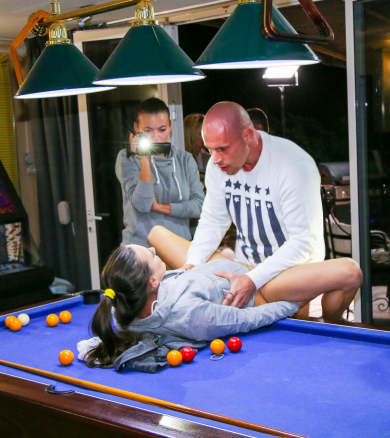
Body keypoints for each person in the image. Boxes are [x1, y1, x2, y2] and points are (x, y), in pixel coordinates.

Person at [84, 243, 362, 369]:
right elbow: (246, 320)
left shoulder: (124, 305)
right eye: (152, 256)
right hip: (257, 290)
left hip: (213, 270)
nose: (155, 251)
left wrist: (190, 269)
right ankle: (334, 324)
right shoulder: (189, 316)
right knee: (350, 272)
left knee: (157, 231)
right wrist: (290, 305)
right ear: (153, 283)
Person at [180, 101, 328, 311]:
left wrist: (252, 280)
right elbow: (214, 220)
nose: (215, 160)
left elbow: (304, 242)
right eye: (210, 150)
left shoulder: (293, 166)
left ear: (248, 136)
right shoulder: (219, 164)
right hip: (247, 273)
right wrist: (193, 264)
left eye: (222, 149)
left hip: (294, 277)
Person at [116, 98, 205, 248]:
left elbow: (199, 206)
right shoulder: (127, 158)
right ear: (136, 128)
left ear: (170, 126)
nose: (156, 137)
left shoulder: (185, 159)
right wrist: (145, 160)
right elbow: (143, 205)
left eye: (162, 129)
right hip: (141, 250)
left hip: (179, 247)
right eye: (148, 130)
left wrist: (160, 207)